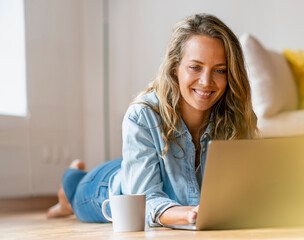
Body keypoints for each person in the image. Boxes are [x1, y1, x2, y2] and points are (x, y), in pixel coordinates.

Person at [47, 13, 258, 227]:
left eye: (219, 70)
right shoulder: (142, 115)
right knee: (75, 191)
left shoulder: (235, 117)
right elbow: (145, 202)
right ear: (175, 68)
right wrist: (191, 215)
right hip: (105, 189)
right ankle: (68, 189)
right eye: (195, 67)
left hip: (140, 167)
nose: (206, 81)